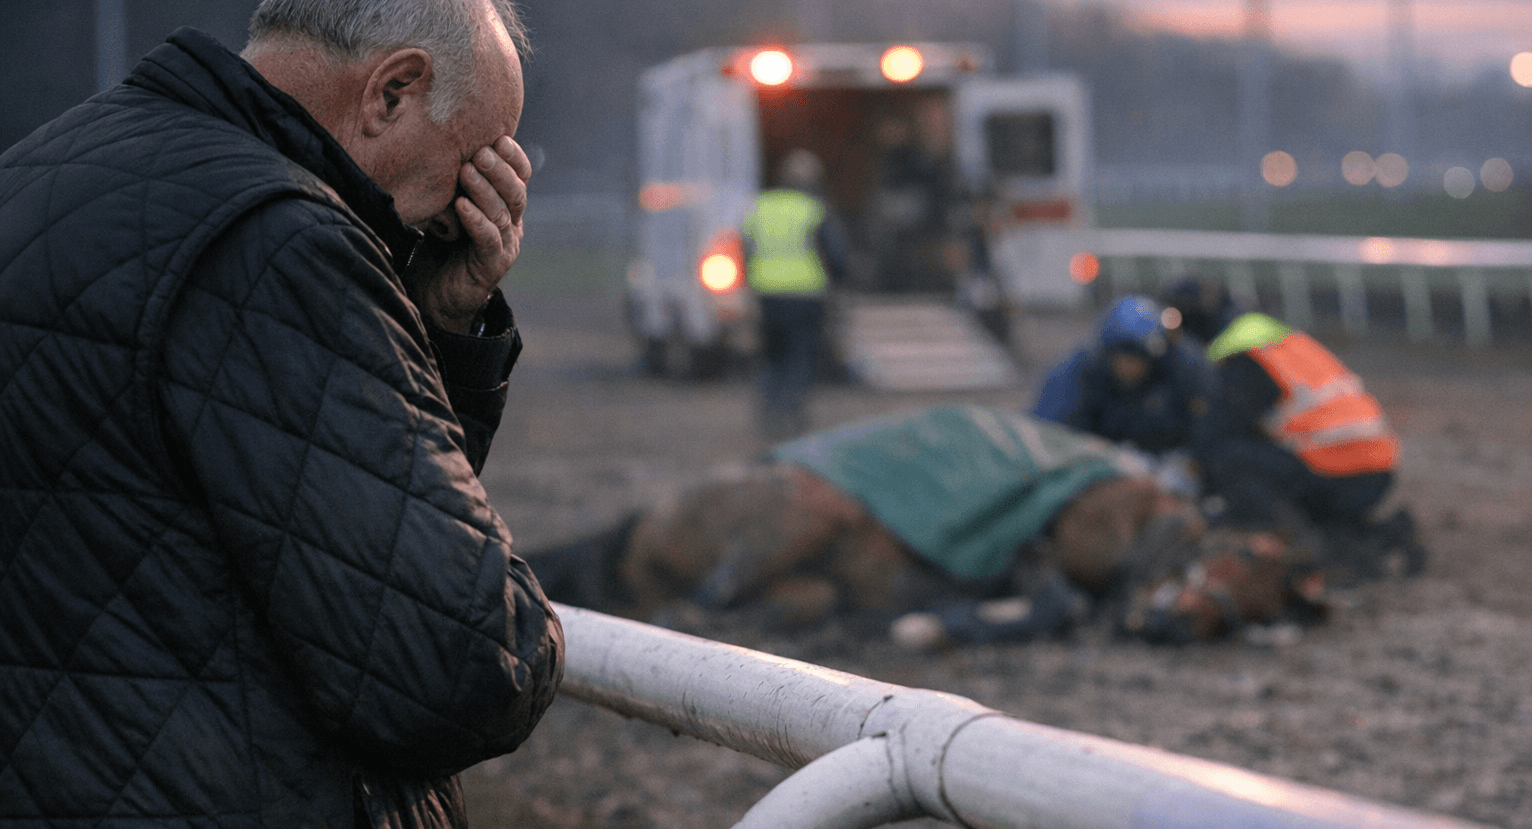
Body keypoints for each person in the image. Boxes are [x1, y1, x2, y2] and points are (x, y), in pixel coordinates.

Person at [0, 0, 563, 827]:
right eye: (476, 156)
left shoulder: (42, 172)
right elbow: (450, 661)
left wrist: (434, 329)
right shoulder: (278, 240)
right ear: (392, 92)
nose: (466, 207)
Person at [528, 405, 1326, 648]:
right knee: (813, 515)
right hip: (833, 492)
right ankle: (709, 602)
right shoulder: (1110, 494)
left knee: (810, 602)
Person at [1193, 311, 1425, 576]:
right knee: (1325, 519)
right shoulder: (1292, 347)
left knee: (1229, 459)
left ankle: (1301, 552)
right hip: (1379, 465)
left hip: (1333, 467)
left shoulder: (1245, 362)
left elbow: (1218, 433)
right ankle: (1388, 534)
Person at [1031, 295, 1216, 458]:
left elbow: (1209, 424)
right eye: (1125, 358)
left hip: (1162, 464)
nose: (1132, 367)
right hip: (1092, 467)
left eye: (1140, 359)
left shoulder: (1183, 367)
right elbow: (1047, 438)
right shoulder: (1076, 374)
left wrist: (1190, 462)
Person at [742, 148, 847, 438]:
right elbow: (836, 256)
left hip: (767, 297)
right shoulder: (813, 208)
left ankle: (769, 417)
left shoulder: (761, 205)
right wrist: (838, 283)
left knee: (772, 358)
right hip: (804, 296)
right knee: (799, 358)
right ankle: (792, 418)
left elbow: (745, 248)